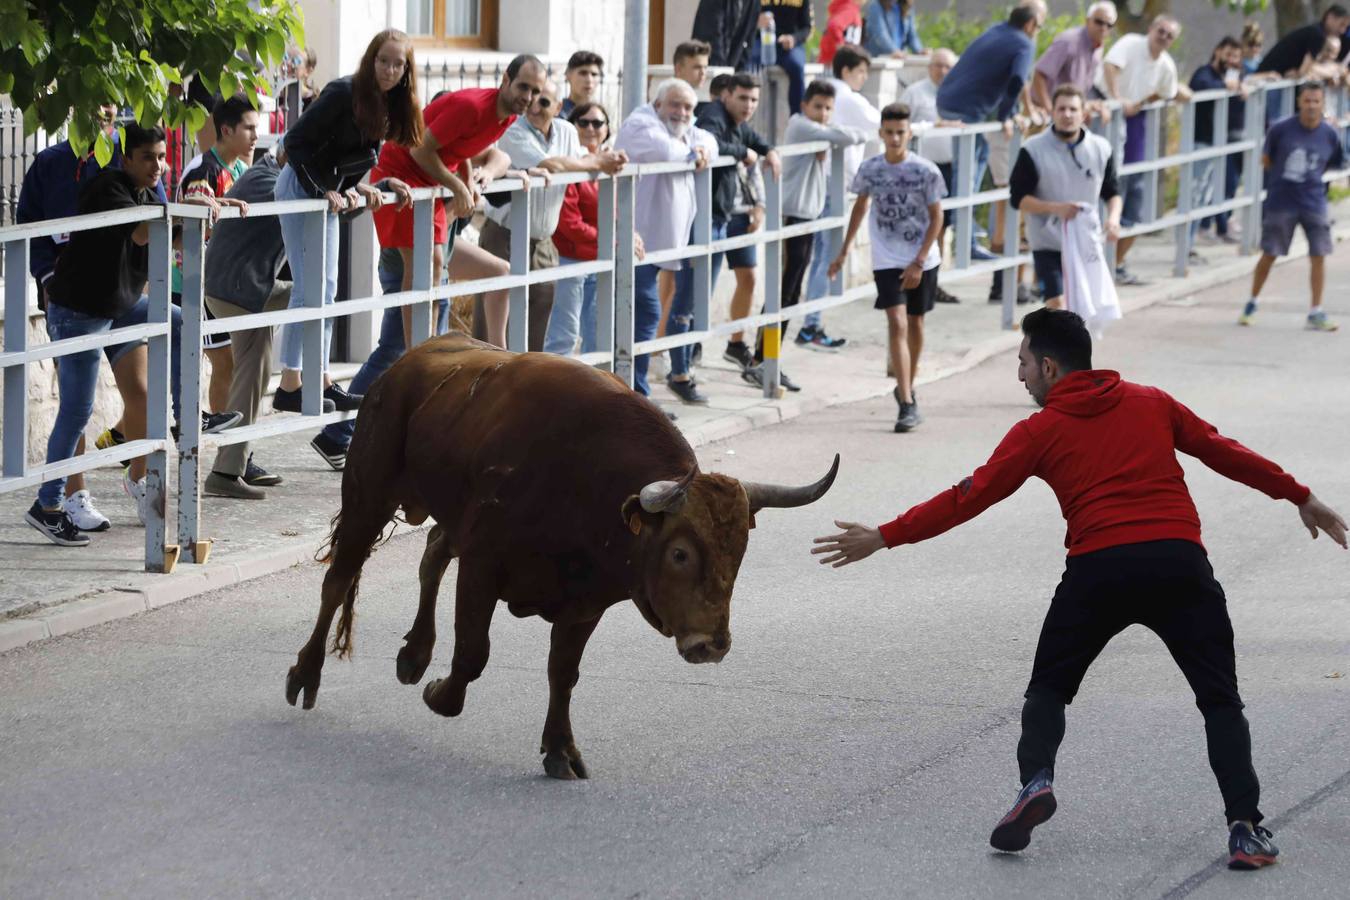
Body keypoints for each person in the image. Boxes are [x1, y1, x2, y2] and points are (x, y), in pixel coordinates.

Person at [812, 306, 1348, 868]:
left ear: (1048, 366)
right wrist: (1299, 494)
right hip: (1178, 564)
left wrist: (886, 536)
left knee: (1048, 689)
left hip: (1098, 569)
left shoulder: (1038, 431)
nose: (1019, 377)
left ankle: (1035, 783)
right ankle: (1245, 829)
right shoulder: (1152, 402)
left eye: (1022, 364)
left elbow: (968, 496)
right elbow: (1223, 451)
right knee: (1219, 700)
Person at [23, 124, 241, 545]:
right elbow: (143, 232)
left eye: (162, 157)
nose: (158, 166)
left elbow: (170, 236)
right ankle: (47, 504)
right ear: (125, 159)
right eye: (147, 157)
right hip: (78, 311)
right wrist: (185, 206)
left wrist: (208, 209)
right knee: (77, 410)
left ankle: (186, 418)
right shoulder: (109, 187)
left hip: (118, 305)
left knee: (178, 320)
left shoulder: (147, 191)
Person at [15, 104, 169, 534]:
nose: (103, 119)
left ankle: (140, 477)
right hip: (74, 303)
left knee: (148, 374)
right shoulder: (56, 165)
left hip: (119, 299)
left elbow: (160, 224)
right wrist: (45, 274)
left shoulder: (141, 174)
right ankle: (64, 497)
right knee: (78, 408)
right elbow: (28, 222)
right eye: (95, 111)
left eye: (110, 112)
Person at [273, 28, 424, 415]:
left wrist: (374, 184)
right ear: (371, 59)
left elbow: (352, 158)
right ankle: (290, 383)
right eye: (384, 61)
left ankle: (321, 377)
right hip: (300, 187)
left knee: (326, 288)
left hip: (330, 195)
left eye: (398, 64)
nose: (390, 70)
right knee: (308, 289)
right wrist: (323, 189)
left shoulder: (390, 103)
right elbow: (296, 144)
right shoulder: (344, 93)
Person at [371, 61, 539, 353]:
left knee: (437, 267)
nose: (528, 96)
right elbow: (419, 148)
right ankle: (419, 354)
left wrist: (469, 181)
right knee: (430, 264)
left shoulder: (506, 116)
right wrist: (459, 186)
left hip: (427, 182)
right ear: (505, 79)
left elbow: (461, 147)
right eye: (523, 86)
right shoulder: (473, 107)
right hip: (400, 177)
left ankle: (429, 348)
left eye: (535, 91)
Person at [480, 74, 626, 351]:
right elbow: (549, 164)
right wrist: (596, 160)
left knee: (539, 319)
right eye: (532, 98)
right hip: (506, 235)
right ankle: (490, 388)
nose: (534, 106)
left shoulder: (567, 131)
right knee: (495, 325)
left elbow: (577, 164)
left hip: (544, 240)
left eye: (544, 101)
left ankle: (531, 388)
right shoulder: (513, 128)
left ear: (558, 107)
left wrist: (599, 160)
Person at [828, 102, 945, 433]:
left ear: (909, 134)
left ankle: (907, 380)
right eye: (889, 133)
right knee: (896, 321)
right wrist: (844, 250)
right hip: (886, 257)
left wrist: (920, 260)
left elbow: (938, 217)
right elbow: (861, 207)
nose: (895, 139)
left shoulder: (926, 171)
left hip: (922, 256)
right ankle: (906, 402)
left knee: (916, 322)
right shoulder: (871, 169)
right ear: (881, 134)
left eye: (900, 133)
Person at [744, 80, 867, 389]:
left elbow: (841, 135)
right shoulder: (801, 126)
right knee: (782, 292)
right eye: (818, 107)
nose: (823, 114)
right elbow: (853, 135)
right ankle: (762, 360)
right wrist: (832, 134)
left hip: (806, 216)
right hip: (793, 215)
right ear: (804, 106)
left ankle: (767, 359)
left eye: (828, 109)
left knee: (789, 292)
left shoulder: (814, 129)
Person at [613, 78, 717, 406]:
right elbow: (664, 151)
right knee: (643, 313)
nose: (682, 112)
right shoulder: (640, 123)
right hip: (634, 238)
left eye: (688, 107)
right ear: (658, 105)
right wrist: (692, 152)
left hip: (662, 242)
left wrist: (701, 150)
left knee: (646, 314)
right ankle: (634, 395)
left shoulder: (683, 128)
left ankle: (637, 394)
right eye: (675, 104)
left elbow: (712, 142)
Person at [688, 72, 780, 401]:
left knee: (754, 281)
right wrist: (744, 152)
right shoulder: (714, 114)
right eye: (743, 98)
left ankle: (738, 344)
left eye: (754, 100)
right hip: (711, 216)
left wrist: (769, 151)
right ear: (726, 95)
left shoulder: (739, 122)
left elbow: (756, 141)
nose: (749, 105)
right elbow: (713, 147)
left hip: (735, 214)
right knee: (700, 287)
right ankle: (688, 350)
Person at [936, 1, 1047, 265]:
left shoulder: (996, 30)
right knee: (966, 179)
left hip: (947, 101)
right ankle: (965, 245)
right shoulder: (1024, 42)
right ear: (1030, 24)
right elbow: (1018, 79)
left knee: (974, 168)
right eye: (1039, 27)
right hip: (966, 110)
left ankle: (967, 238)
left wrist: (1010, 112)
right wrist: (1006, 114)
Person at [177, 94, 259, 438]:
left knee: (232, 361)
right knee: (224, 361)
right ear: (226, 129)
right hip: (196, 282)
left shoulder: (240, 169)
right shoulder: (204, 169)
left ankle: (121, 434)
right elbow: (195, 214)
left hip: (224, 281)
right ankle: (226, 445)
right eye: (249, 128)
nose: (256, 135)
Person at [1239, 82, 1343, 333]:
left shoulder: (1329, 134)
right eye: (1307, 101)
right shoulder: (1281, 129)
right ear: (1299, 102)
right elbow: (1267, 159)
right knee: (1270, 253)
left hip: (1313, 201)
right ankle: (1251, 303)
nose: (1311, 106)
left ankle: (1315, 310)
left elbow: (1332, 162)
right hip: (1282, 201)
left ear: (1322, 104)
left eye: (1316, 101)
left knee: (1318, 254)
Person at [545, 102, 646, 356]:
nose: (591, 128)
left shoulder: (612, 164)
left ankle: (595, 393)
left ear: (607, 129)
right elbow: (569, 224)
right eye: (583, 122)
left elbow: (619, 211)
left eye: (598, 123)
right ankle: (555, 393)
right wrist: (616, 240)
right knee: (564, 335)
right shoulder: (573, 165)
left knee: (599, 336)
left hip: (602, 258)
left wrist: (629, 234)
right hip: (571, 260)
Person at [1009, 85, 1122, 311]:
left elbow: (1112, 192)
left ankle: (1070, 346)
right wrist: (1055, 208)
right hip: (1047, 241)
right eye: (1061, 109)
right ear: (1053, 112)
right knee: (1058, 306)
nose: (1067, 115)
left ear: (1084, 114)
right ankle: (1057, 345)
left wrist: (1113, 220)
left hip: (1086, 241)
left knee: (1084, 309)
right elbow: (1018, 199)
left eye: (1073, 109)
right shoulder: (1032, 149)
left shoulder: (1101, 149)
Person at [797, 44, 880, 350]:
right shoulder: (848, 97)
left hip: (823, 183)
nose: (862, 79)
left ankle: (810, 323)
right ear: (846, 70)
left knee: (814, 257)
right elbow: (885, 123)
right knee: (823, 258)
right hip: (832, 187)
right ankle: (811, 325)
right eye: (860, 72)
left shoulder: (828, 95)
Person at [1101, 14, 1187, 285]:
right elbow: (1110, 65)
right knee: (1104, 182)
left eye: (1169, 35)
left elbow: (1168, 92)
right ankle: (1099, 266)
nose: (1163, 37)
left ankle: (1115, 264)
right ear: (1151, 29)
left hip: (1134, 118)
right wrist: (1117, 99)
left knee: (1135, 192)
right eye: (1160, 31)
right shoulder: (1130, 43)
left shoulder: (1166, 66)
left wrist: (1140, 101)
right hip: (1104, 109)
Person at [900, 48, 961, 304]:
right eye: (938, 65)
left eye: (948, 67)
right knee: (918, 223)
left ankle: (933, 280)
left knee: (942, 223)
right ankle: (910, 277)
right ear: (929, 67)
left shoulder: (958, 93)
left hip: (948, 167)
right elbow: (899, 123)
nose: (943, 71)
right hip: (921, 168)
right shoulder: (915, 92)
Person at [1188, 37, 1247, 250]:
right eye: (1228, 54)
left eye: (1236, 57)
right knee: (1193, 194)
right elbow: (1199, 85)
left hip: (1219, 144)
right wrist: (1225, 85)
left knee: (1207, 194)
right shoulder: (1205, 73)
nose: (1232, 60)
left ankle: (1193, 242)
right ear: (1217, 51)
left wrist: (1241, 87)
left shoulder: (1233, 76)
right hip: (1200, 141)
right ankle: (1186, 246)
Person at [1030, 2, 1116, 123]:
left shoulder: (1098, 48)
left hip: (1069, 116)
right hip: (1045, 115)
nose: (1103, 28)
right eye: (1099, 22)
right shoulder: (1068, 41)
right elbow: (1039, 74)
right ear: (1088, 21)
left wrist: (1087, 106)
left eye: (1109, 25)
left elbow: (1079, 86)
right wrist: (1051, 111)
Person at [760, 0, 815, 114]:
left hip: (790, 46)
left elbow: (807, 28)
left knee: (797, 66)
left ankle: (797, 116)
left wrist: (793, 39)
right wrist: (756, 21)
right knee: (747, 64)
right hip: (761, 42)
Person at [692, 0, 771, 72]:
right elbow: (711, 33)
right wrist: (721, 69)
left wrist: (739, 68)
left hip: (731, 66)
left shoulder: (754, 3)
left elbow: (749, 36)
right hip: (707, 63)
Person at [819, 0, 864, 66]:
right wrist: (841, 46)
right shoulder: (850, 9)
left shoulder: (843, 7)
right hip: (838, 62)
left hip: (833, 60)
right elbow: (834, 25)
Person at [561, 50, 603, 117]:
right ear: (568, 75)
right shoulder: (556, 113)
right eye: (583, 73)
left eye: (594, 74)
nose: (589, 80)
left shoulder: (600, 116)